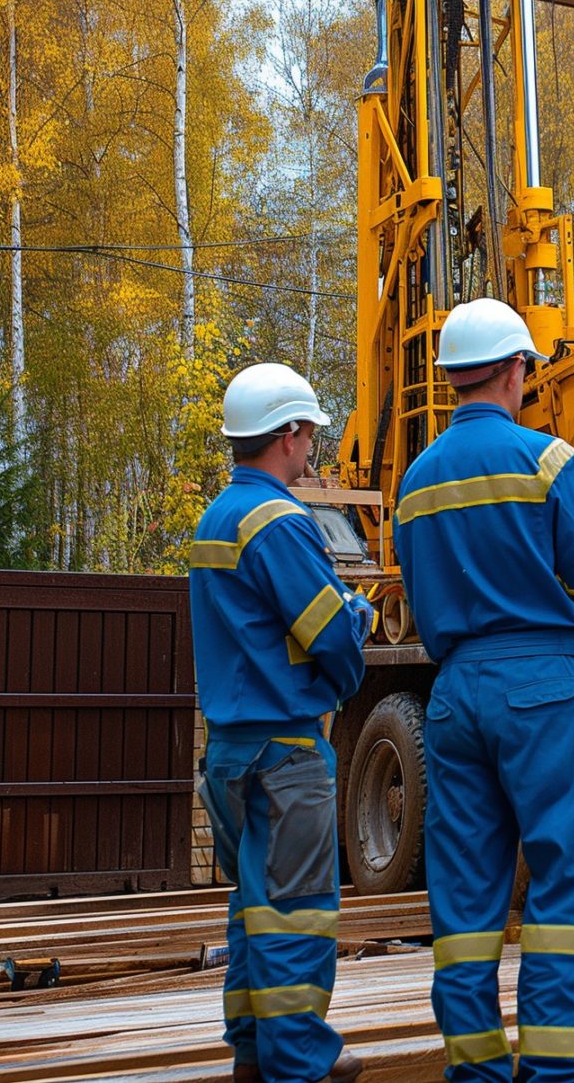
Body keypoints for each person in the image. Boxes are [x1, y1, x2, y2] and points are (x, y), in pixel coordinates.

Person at [395, 298, 574, 1081]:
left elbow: (422, 600)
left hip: (455, 692)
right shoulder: (548, 461)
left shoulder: (416, 482)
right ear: (516, 369)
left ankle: (476, 1070)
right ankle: (556, 1072)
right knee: (566, 880)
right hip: (539, 687)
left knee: (463, 900)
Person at [189, 363, 374, 1083]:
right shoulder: (281, 523)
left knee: (255, 906)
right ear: (288, 435)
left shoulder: (217, 519)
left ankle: (252, 1048)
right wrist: (353, 643)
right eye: (310, 436)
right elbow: (328, 631)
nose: (314, 451)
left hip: (230, 752)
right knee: (296, 910)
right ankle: (299, 1061)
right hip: (286, 751)